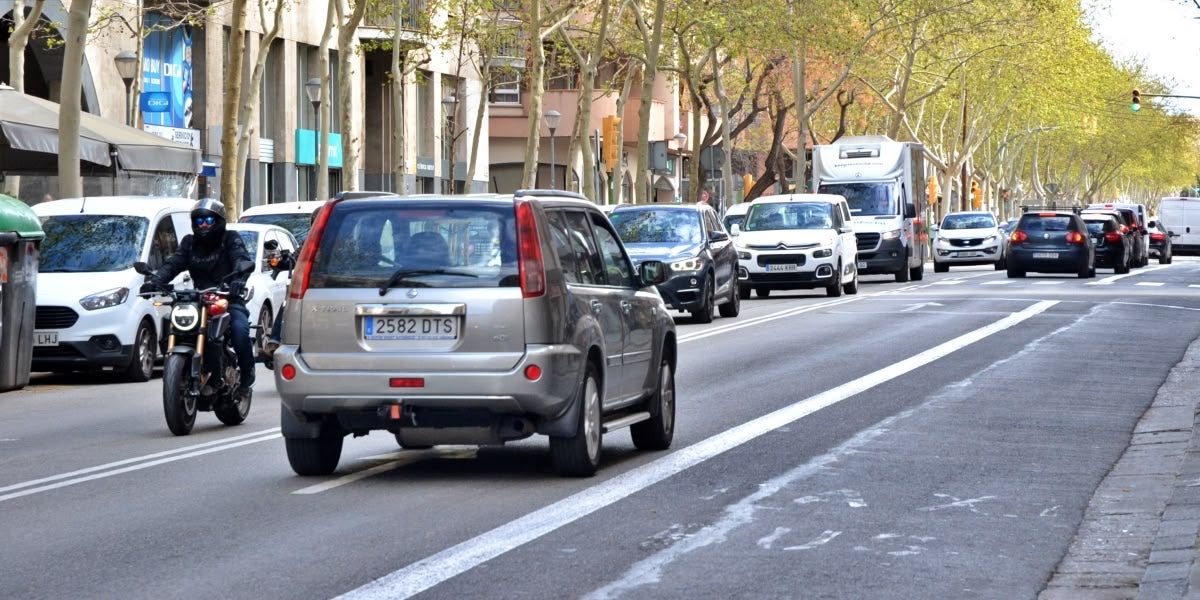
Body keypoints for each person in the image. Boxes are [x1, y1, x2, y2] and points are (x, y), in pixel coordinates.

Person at [141, 198, 256, 404]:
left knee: (240, 331)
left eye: (209, 219)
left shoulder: (230, 238)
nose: (203, 224)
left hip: (228, 298)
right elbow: (174, 263)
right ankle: (184, 374)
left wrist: (239, 279)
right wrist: (156, 280)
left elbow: (241, 258)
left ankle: (247, 379)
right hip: (199, 299)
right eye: (199, 220)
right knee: (172, 321)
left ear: (218, 220)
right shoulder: (189, 242)